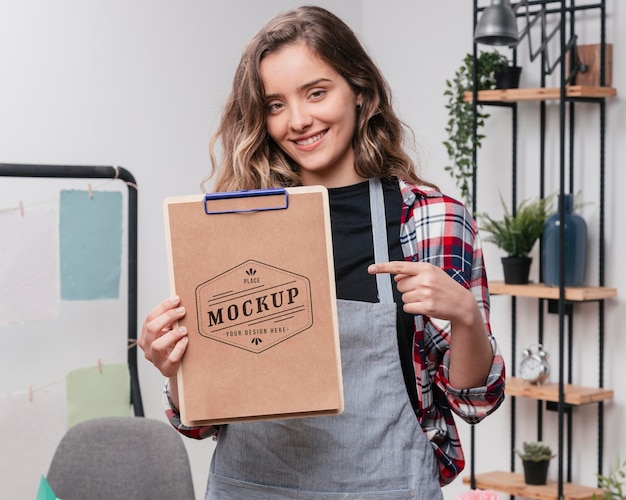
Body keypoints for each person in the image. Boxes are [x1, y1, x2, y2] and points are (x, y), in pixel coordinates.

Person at [139, 5, 505, 499]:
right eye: (274, 105)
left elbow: (473, 401)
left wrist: (465, 316)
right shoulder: (231, 225)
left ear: (359, 91)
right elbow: (199, 421)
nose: (298, 120)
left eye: (316, 92)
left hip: (386, 487)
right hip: (252, 488)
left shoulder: (430, 218)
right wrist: (175, 368)